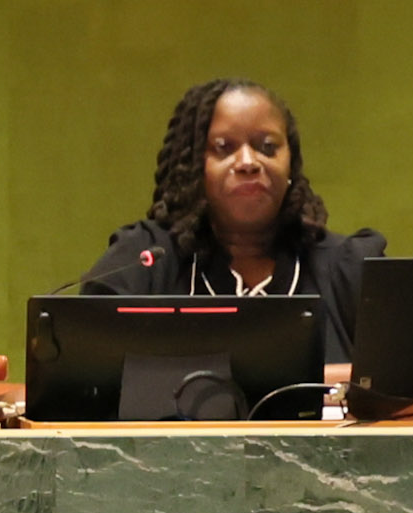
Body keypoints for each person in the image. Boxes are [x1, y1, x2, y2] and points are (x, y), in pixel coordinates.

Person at [79, 80, 386, 369]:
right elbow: (91, 373)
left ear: (290, 162)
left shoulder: (348, 270)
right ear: (194, 166)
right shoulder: (145, 263)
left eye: (267, 147)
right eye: (224, 148)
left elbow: (408, 388)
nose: (248, 162)